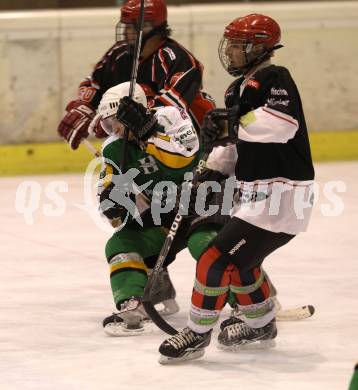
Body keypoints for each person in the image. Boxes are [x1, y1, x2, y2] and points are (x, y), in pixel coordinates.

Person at [158, 13, 315, 363]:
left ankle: (197, 335)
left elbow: (280, 125)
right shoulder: (236, 89)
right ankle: (260, 324)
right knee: (244, 264)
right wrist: (211, 169)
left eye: (236, 46)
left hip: (283, 194)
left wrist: (232, 122)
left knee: (215, 260)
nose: (229, 52)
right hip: (255, 195)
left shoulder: (274, 77)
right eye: (227, 44)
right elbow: (236, 147)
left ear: (258, 48)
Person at [56, 0, 215, 317]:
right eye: (124, 25)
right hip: (145, 146)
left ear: (153, 28)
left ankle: (247, 287)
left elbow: (173, 111)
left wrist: (128, 118)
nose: (126, 32)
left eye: (133, 26)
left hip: (193, 144)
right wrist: (87, 108)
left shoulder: (179, 60)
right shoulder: (120, 54)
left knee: (207, 224)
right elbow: (94, 84)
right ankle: (153, 279)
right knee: (141, 219)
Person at [95, 81, 200, 336]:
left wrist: (148, 132)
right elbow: (107, 188)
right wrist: (112, 203)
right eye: (108, 125)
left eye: (116, 122)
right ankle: (133, 304)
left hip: (202, 204)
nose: (115, 130)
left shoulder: (171, 116)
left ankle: (251, 303)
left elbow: (185, 157)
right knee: (120, 243)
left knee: (207, 246)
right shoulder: (113, 147)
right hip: (164, 216)